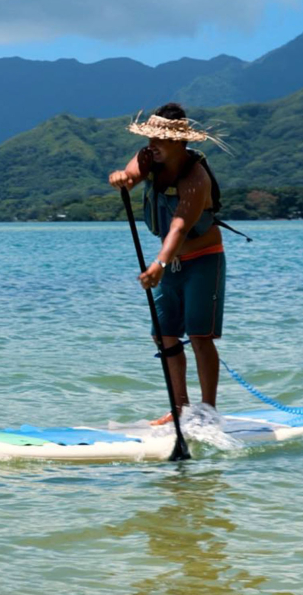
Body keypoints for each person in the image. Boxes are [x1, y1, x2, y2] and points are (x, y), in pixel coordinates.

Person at [108, 103, 230, 425]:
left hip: (203, 260)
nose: (150, 145)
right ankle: (180, 408)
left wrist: (159, 262)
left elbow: (178, 226)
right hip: (170, 264)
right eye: (149, 138)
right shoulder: (150, 158)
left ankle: (208, 411)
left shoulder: (195, 178)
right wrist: (123, 178)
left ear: (178, 143)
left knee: (200, 335)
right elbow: (132, 174)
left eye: (158, 140)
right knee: (164, 334)